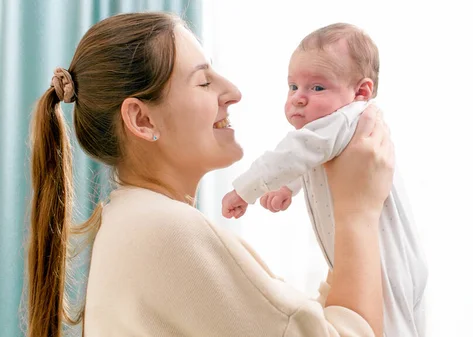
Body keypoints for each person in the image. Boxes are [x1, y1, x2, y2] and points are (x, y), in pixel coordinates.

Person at [26, 12, 395, 337]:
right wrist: (356, 214)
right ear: (142, 119)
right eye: (204, 81)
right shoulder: (167, 231)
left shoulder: (134, 220)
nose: (233, 92)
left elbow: (299, 325)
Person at [221, 23, 428, 336]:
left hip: (384, 257)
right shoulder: (338, 131)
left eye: (316, 88)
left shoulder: (347, 118)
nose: (299, 98)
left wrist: (245, 189)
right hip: (384, 255)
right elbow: (313, 158)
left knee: (393, 325)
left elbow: (296, 151)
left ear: (361, 92)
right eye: (293, 87)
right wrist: (288, 186)